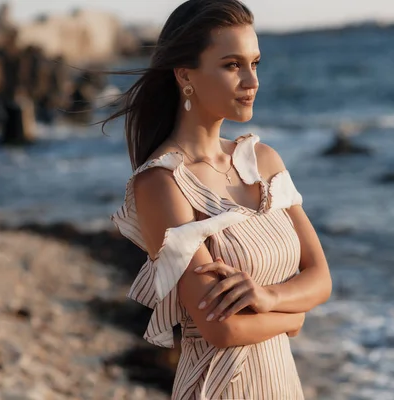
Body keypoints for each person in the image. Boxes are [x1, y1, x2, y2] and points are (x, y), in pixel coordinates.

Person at [102, 1, 332, 398]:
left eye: (255, 63)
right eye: (232, 65)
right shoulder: (162, 183)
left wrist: (268, 298)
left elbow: (321, 277)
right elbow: (220, 328)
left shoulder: (264, 160)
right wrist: (293, 319)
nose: (251, 80)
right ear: (185, 74)